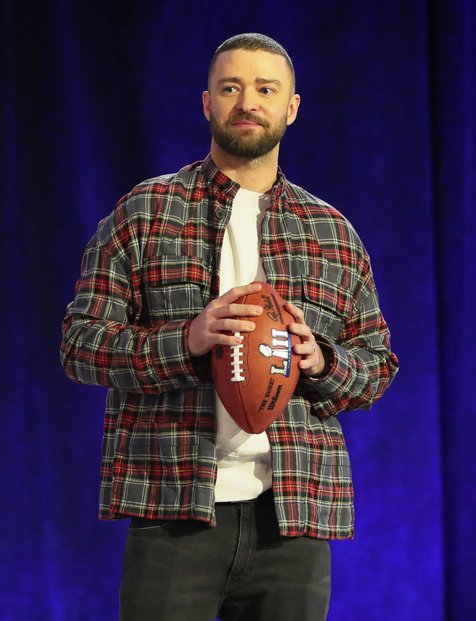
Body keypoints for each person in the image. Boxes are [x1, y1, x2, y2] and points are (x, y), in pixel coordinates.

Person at [61, 33, 398, 621]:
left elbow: (378, 366)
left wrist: (323, 361)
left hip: (292, 521)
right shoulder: (144, 213)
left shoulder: (332, 233)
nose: (248, 102)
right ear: (207, 103)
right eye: (231, 88)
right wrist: (185, 343)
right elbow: (80, 345)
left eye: (266, 89)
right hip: (173, 511)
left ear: (291, 108)